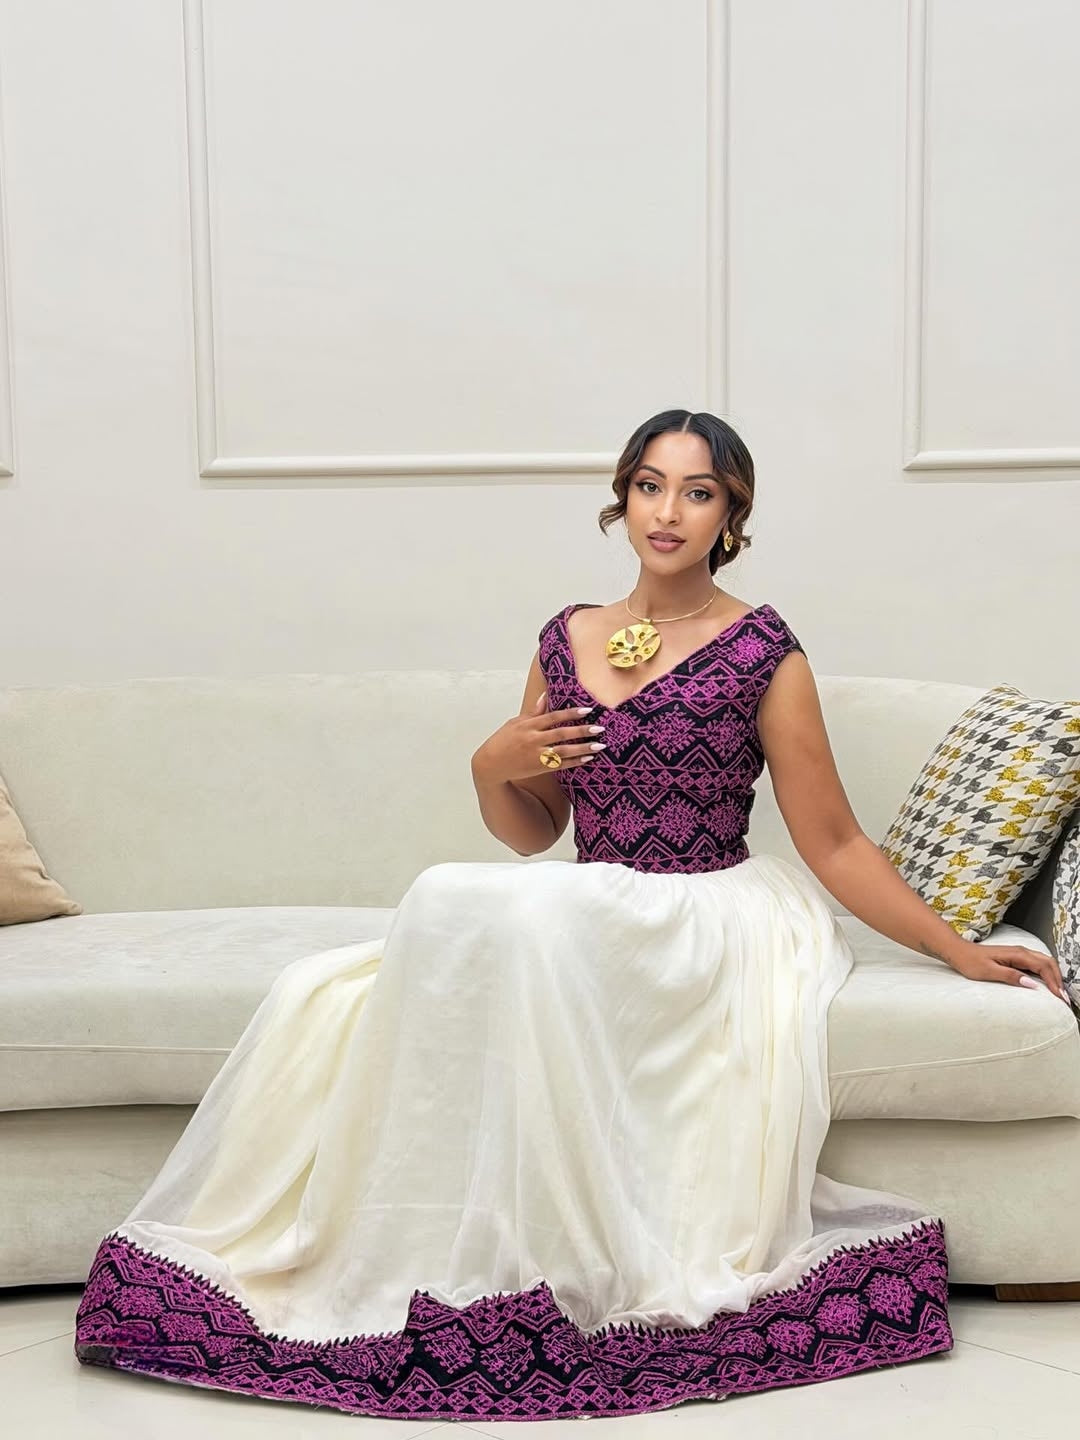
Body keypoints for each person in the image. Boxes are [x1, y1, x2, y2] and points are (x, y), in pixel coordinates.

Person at [73, 409, 1067, 1422]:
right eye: (648, 485)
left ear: (733, 514)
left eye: (697, 491)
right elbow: (529, 832)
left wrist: (959, 949)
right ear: (620, 497)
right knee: (394, 938)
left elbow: (836, 842)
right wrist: (489, 767)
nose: (667, 511)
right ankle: (433, 1249)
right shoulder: (568, 635)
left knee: (472, 908)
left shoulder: (765, 650)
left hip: (702, 912)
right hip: (588, 897)